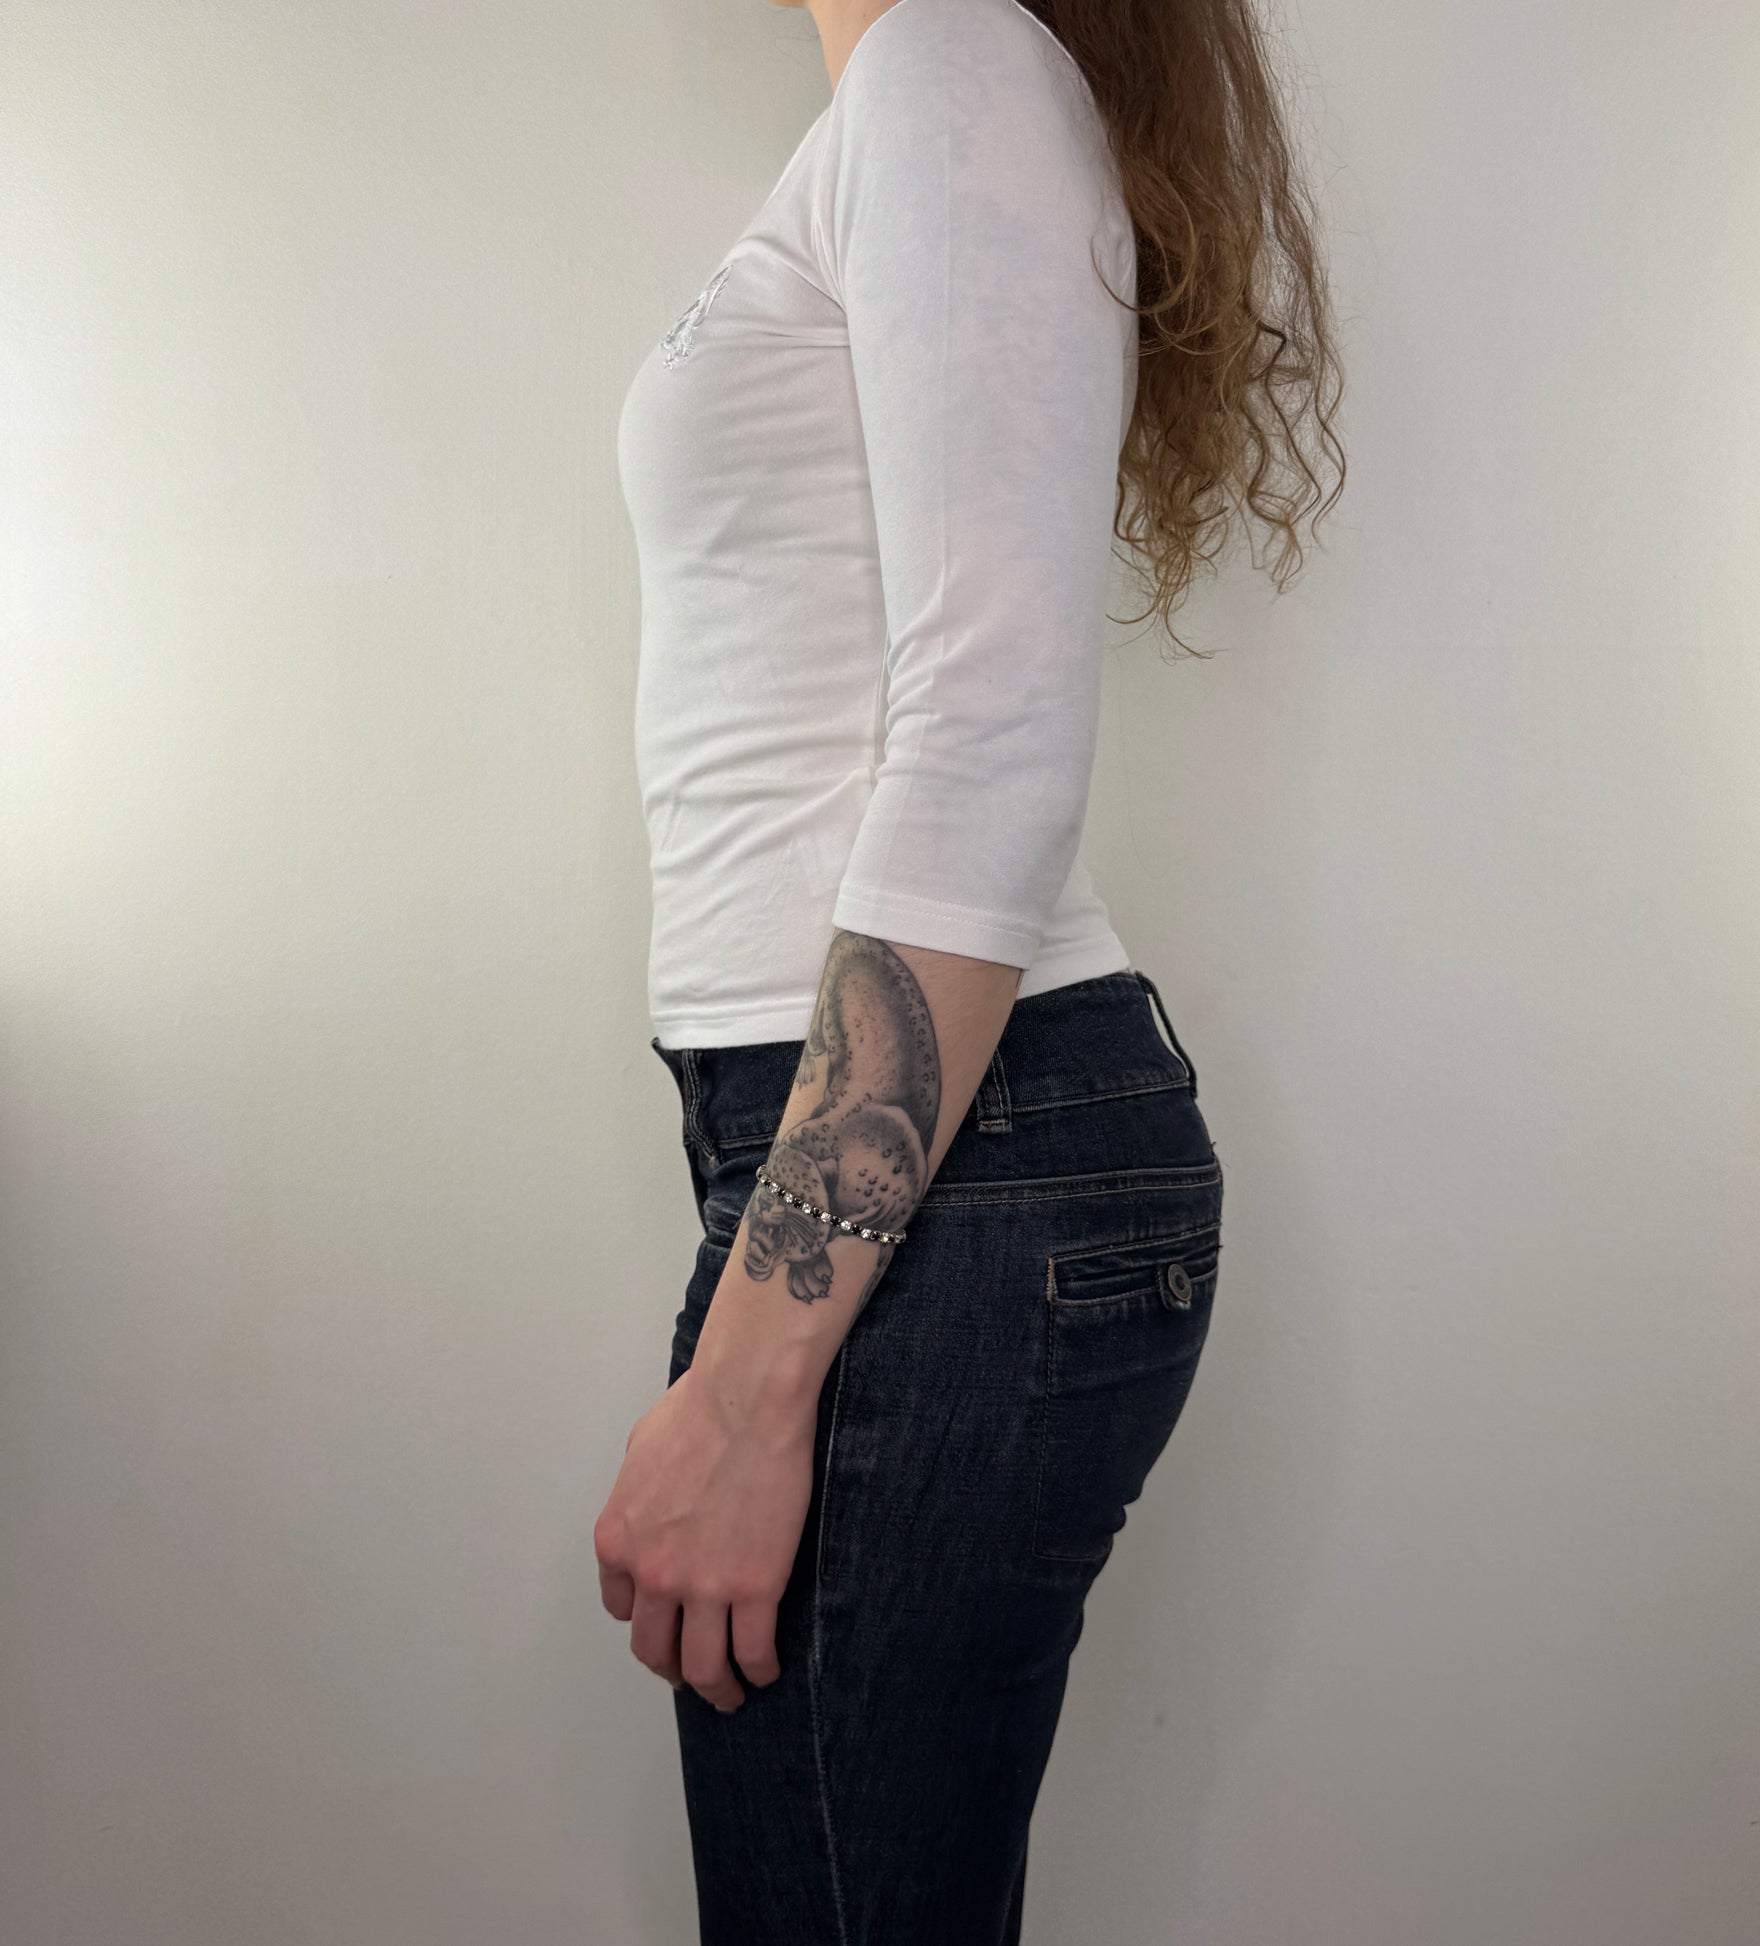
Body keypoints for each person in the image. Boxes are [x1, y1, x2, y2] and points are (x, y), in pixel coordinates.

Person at [598, 0, 1342, 1936]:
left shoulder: (950, 61)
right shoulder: (908, 97)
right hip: (909, 1167)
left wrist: (747, 1383)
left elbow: (992, 739)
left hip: (939, 1176)